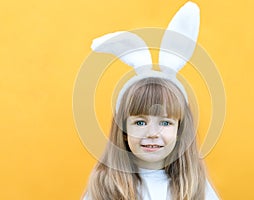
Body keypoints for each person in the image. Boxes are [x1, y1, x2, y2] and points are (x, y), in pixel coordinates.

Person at [81, 1, 220, 199]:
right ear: (123, 131)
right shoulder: (105, 186)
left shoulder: (196, 187)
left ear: (180, 130)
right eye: (140, 122)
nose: (152, 133)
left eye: (165, 122)